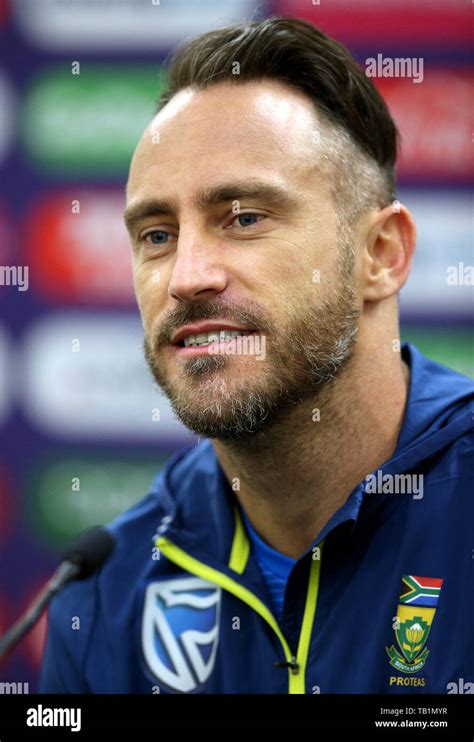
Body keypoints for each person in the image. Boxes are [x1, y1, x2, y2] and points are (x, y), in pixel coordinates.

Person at [39, 17, 473, 694]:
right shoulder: (102, 596)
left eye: (243, 218)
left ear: (381, 255)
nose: (186, 276)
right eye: (156, 234)